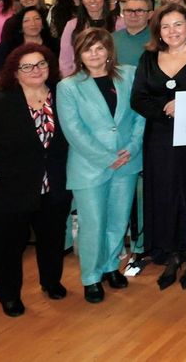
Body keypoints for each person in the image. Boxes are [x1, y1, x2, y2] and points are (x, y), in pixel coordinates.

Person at [0, 44, 71, 318]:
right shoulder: (0, 102)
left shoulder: (63, 97)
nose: (35, 70)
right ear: (15, 72)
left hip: (54, 184)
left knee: (52, 239)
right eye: (27, 66)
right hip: (11, 188)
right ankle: (9, 295)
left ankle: (51, 282)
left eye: (41, 64)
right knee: (9, 246)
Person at [56, 27, 143, 303]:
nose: (94, 54)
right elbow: (73, 130)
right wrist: (107, 158)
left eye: (99, 48)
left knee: (118, 221)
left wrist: (132, 147)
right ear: (79, 54)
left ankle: (109, 267)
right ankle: (91, 277)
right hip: (90, 165)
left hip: (127, 160)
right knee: (93, 224)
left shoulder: (128, 74)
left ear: (109, 51)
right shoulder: (68, 86)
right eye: (87, 49)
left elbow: (141, 114)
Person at [131, 3, 186, 290]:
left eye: (178, 24)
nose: (172, 31)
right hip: (160, 137)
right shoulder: (149, 57)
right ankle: (171, 255)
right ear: (158, 31)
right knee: (164, 193)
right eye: (165, 26)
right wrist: (165, 110)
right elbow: (138, 98)